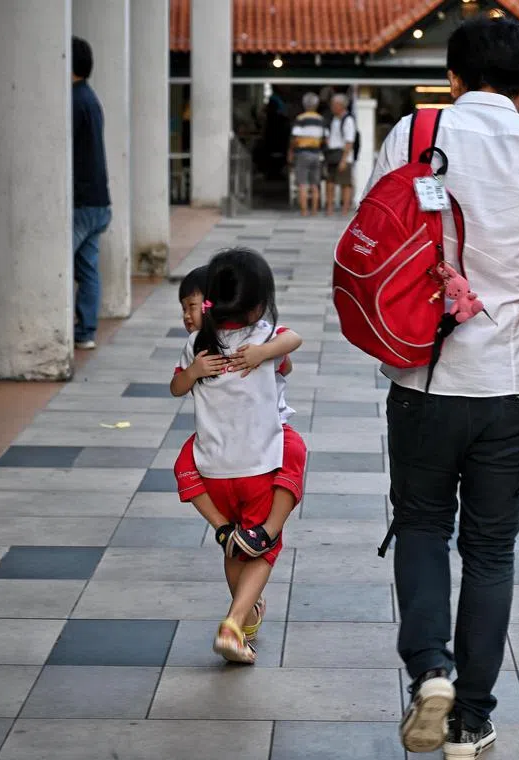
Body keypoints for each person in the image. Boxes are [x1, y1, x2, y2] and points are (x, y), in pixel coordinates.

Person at [363, 16, 519, 758]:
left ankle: (431, 670)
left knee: (423, 525)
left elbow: (370, 228)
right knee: (491, 551)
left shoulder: (416, 131)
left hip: (424, 379)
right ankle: (471, 721)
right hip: (516, 388)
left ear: (452, 77)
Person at [169, 249, 305, 664]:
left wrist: (193, 374)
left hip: (213, 470)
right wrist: (266, 354)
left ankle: (244, 615)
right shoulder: (263, 339)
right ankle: (233, 622)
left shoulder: (197, 344)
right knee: (262, 547)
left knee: (235, 546)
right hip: (257, 467)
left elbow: (176, 388)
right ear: (259, 303)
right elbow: (293, 343)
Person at [71, 36, 111, 350]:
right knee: (88, 269)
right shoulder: (91, 99)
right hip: (98, 200)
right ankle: (86, 332)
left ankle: (56, 326)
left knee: (57, 262)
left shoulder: (73, 100)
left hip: (81, 201)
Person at [288, 93, 326, 216]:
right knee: (315, 184)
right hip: (316, 154)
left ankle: (304, 211)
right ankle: (314, 210)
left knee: (302, 183)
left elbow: (295, 137)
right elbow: (325, 138)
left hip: (302, 153)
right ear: (316, 105)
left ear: (305, 105)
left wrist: (291, 151)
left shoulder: (301, 119)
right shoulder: (321, 119)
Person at [324, 93, 357, 216]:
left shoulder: (348, 120)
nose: (332, 107)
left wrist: (344, 160)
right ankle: (330, 208)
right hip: (332, 154)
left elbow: (349, 141)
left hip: (343, 155)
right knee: (330, 182)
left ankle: (345, 209)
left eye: (334, 104)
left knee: (345, 183)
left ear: (341, 105)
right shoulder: (333, 119)